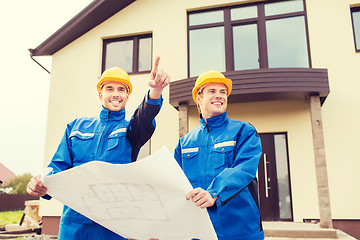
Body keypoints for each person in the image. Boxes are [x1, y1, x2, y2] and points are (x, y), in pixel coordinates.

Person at [27, 57, 170, 240]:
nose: (115, 94)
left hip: (113, 224)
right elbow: (57, 165)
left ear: (128, 96)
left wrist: (155, 91)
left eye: (121, 89)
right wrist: (41, 183)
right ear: (100, 94)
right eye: (109, 89)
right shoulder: (75, 128)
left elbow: (144, 116)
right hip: (74, 223)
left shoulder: (130, 130)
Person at [174, 70, 264, 240]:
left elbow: (244, 168)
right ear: (198, 98)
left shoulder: (244, 131)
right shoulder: (184, 143)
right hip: (199, 231)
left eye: (223, 92)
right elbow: (174, 184)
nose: (219, 96)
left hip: (240, 229)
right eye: (212, 91)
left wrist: (214, 192)